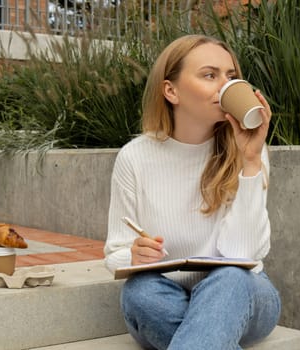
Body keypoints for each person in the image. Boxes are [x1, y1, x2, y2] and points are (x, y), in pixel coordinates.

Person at [104, 34, 281, 350]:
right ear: (171, 91)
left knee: (228, 280)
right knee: (139, 292)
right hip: (166, 295)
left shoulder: (249, 149)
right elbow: (115, 251)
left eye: (230, 76)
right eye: (209, 75)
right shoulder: (134, 157)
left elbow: (244, 255)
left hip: (244, 293)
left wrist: (251, 161)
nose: (224, 85)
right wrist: (133, 253)